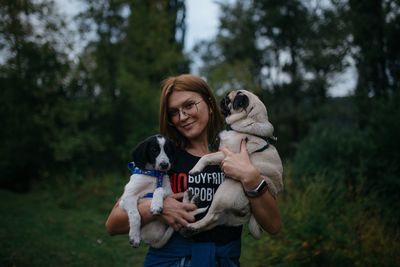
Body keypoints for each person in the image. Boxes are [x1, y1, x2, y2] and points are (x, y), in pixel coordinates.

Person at [105, 74, 281, 267]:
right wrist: (156, 208)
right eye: (174, 112)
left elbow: (273, 225)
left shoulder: (240, 149)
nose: (182, 117)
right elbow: (113, 224)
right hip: (169, 261)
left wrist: (251, 178)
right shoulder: (164, 158)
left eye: (189, 105)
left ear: (210, 104)